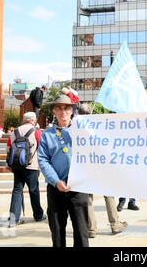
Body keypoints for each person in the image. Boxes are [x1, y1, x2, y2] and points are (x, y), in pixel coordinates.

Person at [38, 94, 89, 247]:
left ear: (72, 111)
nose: (63, 112)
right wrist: (56, 181)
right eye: (59, 108)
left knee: (81, 230)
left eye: (66, 108)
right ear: (54, 111)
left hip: (79, 186)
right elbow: (43, 160)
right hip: (56, 187)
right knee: (57, 231)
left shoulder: (82, 132)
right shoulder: (47, 134)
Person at [77, 103, 128, 237]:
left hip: (85, 167)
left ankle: (91, 229)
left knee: (88, 198)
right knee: (108, 194)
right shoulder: (98, 126)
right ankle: (115, 224)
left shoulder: (75, 128)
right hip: (100, 166)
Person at [6, 112, 46, 227]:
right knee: (34, 190)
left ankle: (14, 219)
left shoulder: (14, 131)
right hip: (31, 165)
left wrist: (10, 163)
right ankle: (38, 215)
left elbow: (8, 148)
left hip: (17, 165)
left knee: (17, 190)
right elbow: (42, 148)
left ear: (24, 120)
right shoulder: (36, 131)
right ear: (34, 120)